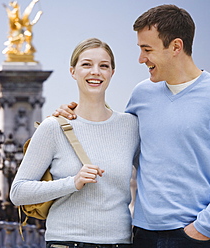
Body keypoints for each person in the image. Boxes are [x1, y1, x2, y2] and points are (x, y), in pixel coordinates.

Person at [54, 5, 210, 248]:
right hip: (142, 234)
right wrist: (74, 114)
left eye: (147, 50)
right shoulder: (142, 93)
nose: (141, 59)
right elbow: (118, 137)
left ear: (176, 47)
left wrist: (205, 226)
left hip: (195, 236)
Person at [10, 38, 139, 247]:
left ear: (112, 73)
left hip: (119, 242)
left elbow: (156, 176)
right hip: (67, 242)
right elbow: (18, 192)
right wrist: (73, 182)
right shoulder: (52, 128)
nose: (95, 71)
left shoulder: (131, 126)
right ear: (73, 72)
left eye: (103, 66)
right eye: (86, 64)